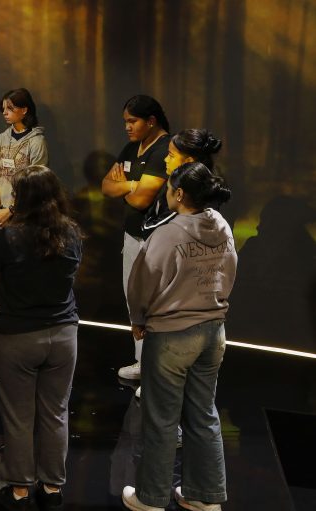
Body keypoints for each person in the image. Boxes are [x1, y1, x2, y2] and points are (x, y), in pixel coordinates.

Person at [121, 163, 236, 511]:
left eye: (170, 188)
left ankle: (151, 498)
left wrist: (138, 320)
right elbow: (230, 271)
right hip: (214, 331)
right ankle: (205, 496)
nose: (167, 193)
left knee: (162, 419)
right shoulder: (222, 225)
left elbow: (142, 283)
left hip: (171, 333)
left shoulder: (168, 234)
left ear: (180, 194)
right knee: (204, 414)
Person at [0, 166, 83, 511]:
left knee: (18, 416)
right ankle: (52, 488)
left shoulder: (10, 236)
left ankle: (20, 491)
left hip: (17, 336)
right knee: (56, 413)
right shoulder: (70, 233)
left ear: (20, 198)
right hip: (63, 335)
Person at [101, 94, 170, 382]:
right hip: (132, 236)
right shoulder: (132, 148)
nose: (127, 127)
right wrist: (132, 183)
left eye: (133, 121)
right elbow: (106, 186)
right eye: (125, 122)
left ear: (151, 121)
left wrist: (127, 186)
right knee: (135, 302)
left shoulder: (166, 148)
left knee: (157, 304)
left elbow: (142, 200)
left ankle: (160, 374)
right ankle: (143, 363)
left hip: (158, 238)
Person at [0, 88, 48, 233]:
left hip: (23, 215)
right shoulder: (0, 139)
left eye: (10, 108)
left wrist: (10, 210)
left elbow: (35, 183)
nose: (4, 112)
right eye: (3, 108)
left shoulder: (37, 141)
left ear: (24, 110)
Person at [142, 129, 223, 238]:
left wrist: (145, 225)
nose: (166, 159)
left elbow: (150, 230)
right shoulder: (179, 183)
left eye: (171, 155)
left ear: (188, 162)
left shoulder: (187, 196)